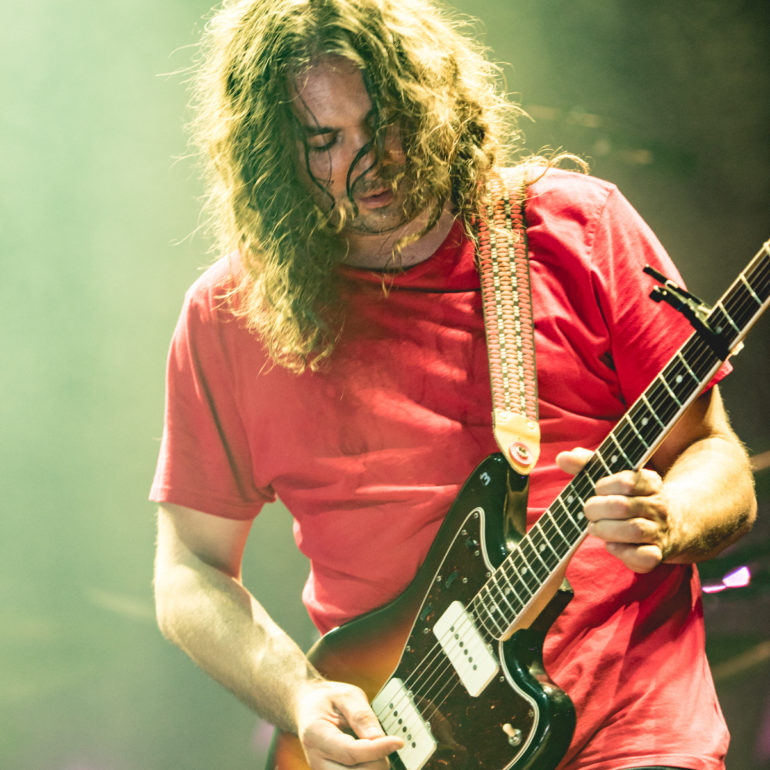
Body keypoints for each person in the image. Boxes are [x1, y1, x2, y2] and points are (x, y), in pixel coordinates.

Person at [150, 1, 757, 768]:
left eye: (386, 122)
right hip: (403, 738)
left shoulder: (576, 226)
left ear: (432, 99)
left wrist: (670, 517)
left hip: (634, 733)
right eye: (324, 141)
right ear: (274, 156)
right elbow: (190, 570)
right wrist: (298, 696)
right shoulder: (230, 316)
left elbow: (714, 455)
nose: (370, 163)